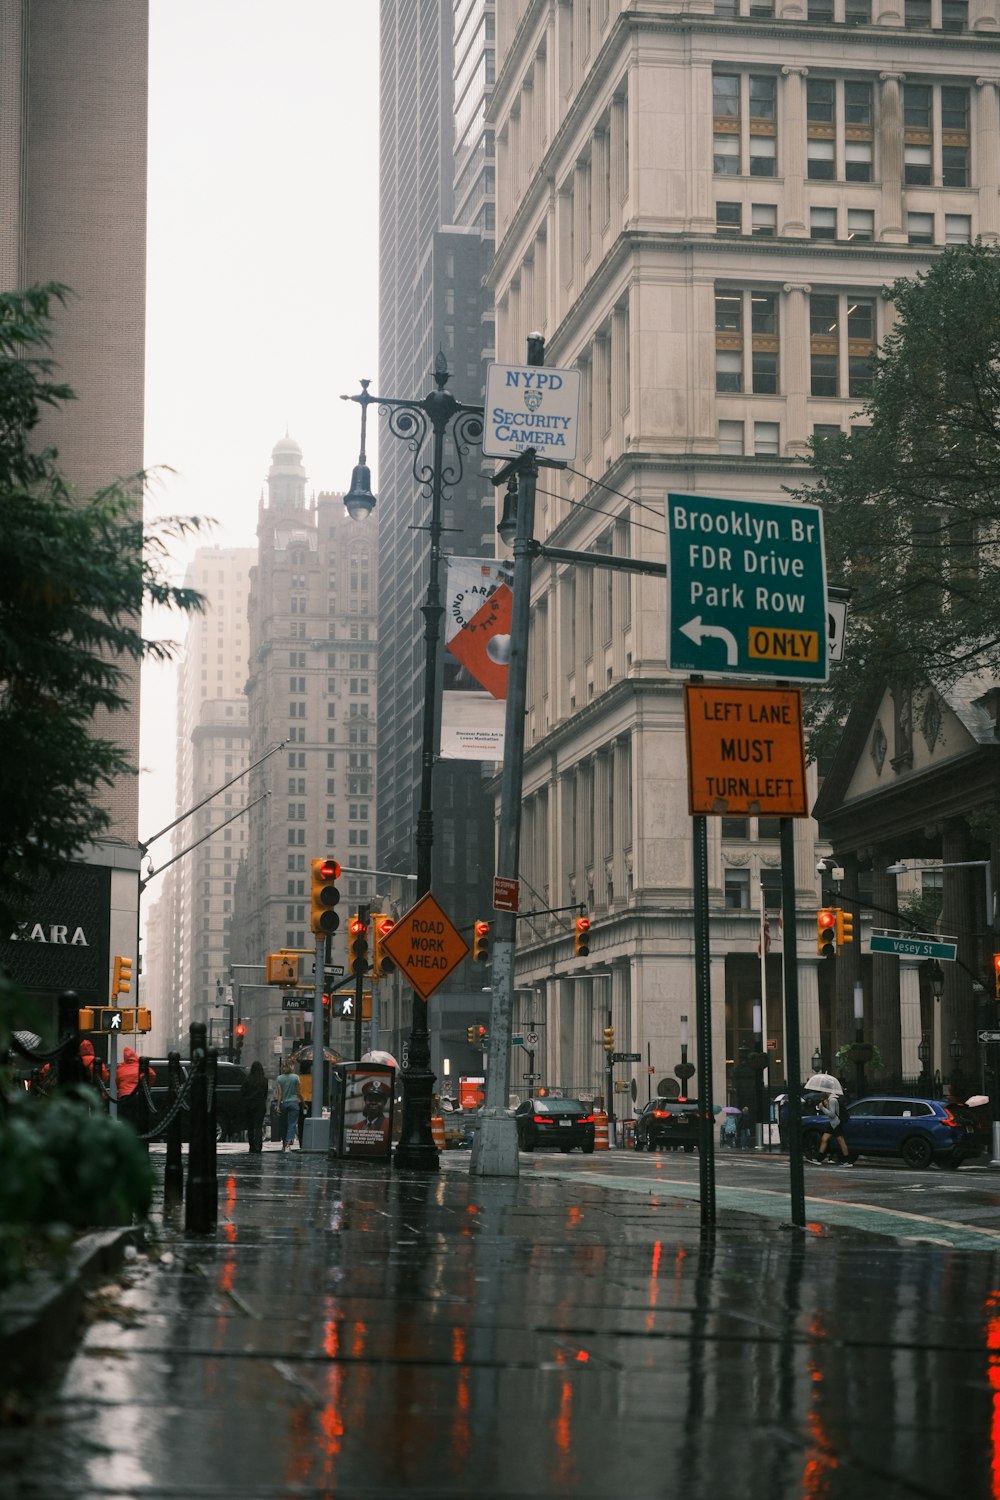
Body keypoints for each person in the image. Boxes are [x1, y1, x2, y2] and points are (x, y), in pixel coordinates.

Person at [815, 1089, 851, 1165]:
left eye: (824, 1091)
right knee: (825, 1138)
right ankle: (819, 1159)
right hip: (833, 1122)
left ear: (828, 1091)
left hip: (835, 1122)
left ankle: (846, 1160)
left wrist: (823, 1108)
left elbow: (831, 1114)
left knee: (840, 1140)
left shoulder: (832, 1100)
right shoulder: (833, 1099)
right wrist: (827, 1105)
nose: (823, 1092)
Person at [240, 1060, 269, 1153]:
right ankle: (258, 1146)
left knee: (250, 1127)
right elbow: (265, 1094)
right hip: (260, 1105)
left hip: (249, 1105)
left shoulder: (247, 1079)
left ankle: (251, 1146)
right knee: (258, 1127)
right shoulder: (264, 1080)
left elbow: (242, 1093)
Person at [276, 1059, 301, 1151]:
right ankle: (288, 1144)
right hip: (294, 1102)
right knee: (292, 1124)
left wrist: (278, 1106)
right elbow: (298, 1092)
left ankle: (283, 1143)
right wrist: (303, 1102)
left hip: (284, 1103)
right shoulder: (295, 1077)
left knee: (283, 1124)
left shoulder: (279, 1078)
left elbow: (280, 1094)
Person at [297, 1060, 313, 1146]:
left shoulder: (298, 1078)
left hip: (301, 1102)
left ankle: (301, 1142)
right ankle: (309, 1141)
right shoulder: (312, 1078)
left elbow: (298, 1091)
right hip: (311, 1102)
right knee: (310, 1121)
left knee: (301, 1123)